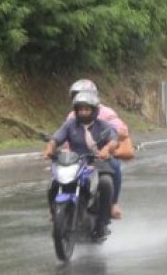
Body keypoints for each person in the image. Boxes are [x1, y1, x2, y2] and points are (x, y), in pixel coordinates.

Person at [43, 91, 118, 241]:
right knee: (54, 182)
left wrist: (106, 149)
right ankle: (55, 213)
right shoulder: (70, 125)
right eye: (80, 109)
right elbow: (56, 138)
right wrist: (49, 148)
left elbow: (113, 140)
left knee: (106, 183)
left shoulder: (104, 126)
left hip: (97, 162)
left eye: (86, 109)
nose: (83, 112)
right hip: (74, 162)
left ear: (94, 110)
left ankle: (101, 224)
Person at [64, 79, 128, 220]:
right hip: (77, 157)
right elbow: (65, 135)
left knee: (114, 166)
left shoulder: (105, 112)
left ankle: (113, 204)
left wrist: (116, 134)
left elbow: (121, 128)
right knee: (58, 171)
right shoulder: (72, 116)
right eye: (76, 96)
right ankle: (58, 206)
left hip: (101, 157)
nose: (81, 99)